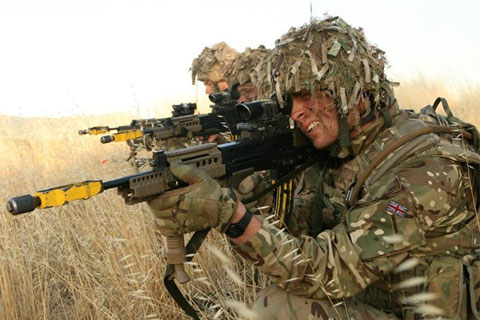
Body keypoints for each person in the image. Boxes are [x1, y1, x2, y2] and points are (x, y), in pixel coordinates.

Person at [149, 17, 480, 319]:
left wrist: (231, 216)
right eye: (289, 101)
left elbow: (327, 272)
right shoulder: (342, 150)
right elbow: (287, 231)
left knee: (280, 307)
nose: (295, 113)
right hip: (378, 303)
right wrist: (231, 187)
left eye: (306, 95)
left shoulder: (422, 171)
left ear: (354, 91)